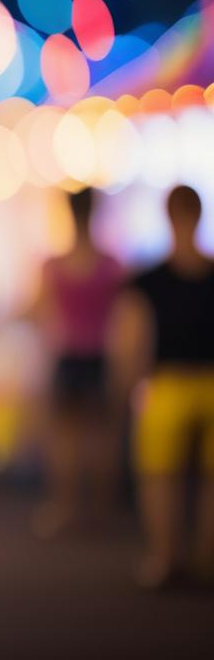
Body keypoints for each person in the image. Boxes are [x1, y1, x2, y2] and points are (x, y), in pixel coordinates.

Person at [118, 184, 214, 589]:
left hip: (165, 386)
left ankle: (165, 557)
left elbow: (133, 342)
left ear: (169, 215)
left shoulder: (148, 281)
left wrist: (130, 389)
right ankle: (206, 559)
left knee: (161, 475)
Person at [30, 188, 127, 539]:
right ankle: (103, 513)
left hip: (68, 356)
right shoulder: (111, 265)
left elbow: (38, 311)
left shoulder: (54, 266)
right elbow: (125, 317)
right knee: (102, 437)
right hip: (101, 357)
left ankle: (65, 509)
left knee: (66, 439)